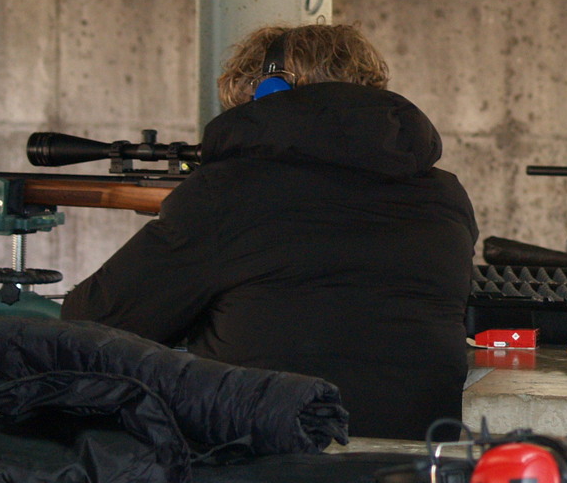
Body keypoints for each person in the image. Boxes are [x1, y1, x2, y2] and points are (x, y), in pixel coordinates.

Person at [61, 24, 478, 440]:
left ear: (268, 92)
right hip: (416, 461)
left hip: (267, 458)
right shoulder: (445, 195)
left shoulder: (229, 191)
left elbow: (95, 321)